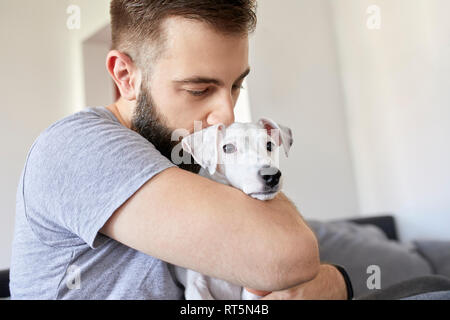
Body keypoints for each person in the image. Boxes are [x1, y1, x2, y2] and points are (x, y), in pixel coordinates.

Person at [10, 0, 351, 300]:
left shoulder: (185, 159)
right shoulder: (78, 146)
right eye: (199, 89)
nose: (227, 115)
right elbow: (289, 253)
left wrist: (337, 282)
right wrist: (324, 279)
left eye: (236, 85)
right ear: (126, 76)